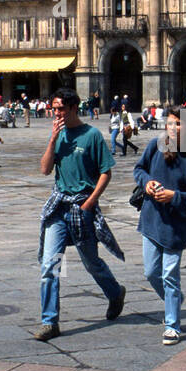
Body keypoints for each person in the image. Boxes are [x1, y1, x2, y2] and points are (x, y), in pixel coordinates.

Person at [35, 89, 125, 341]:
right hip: (58, 206)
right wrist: (52, 139)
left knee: (91, 262)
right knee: (50, 266)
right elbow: (44, 170)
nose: (56, 113)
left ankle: (115, 292)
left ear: (74, 108)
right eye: (54, 108)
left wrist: (90, 203)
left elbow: (106, 172)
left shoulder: (92, 135)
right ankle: (49, 322)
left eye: (60, 108)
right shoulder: (58, 134)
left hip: (81, 207)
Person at [134, 105, 186, 345]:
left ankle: (172, 325)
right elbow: (139, 169)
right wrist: (147, 183)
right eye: (170, 122)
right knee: (151, 272)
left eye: (179, 123)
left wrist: (174, 196)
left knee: (169, 275)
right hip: (152, 220)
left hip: (175, 227)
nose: (173, 127)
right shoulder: (155, 146)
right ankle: (175, 300)